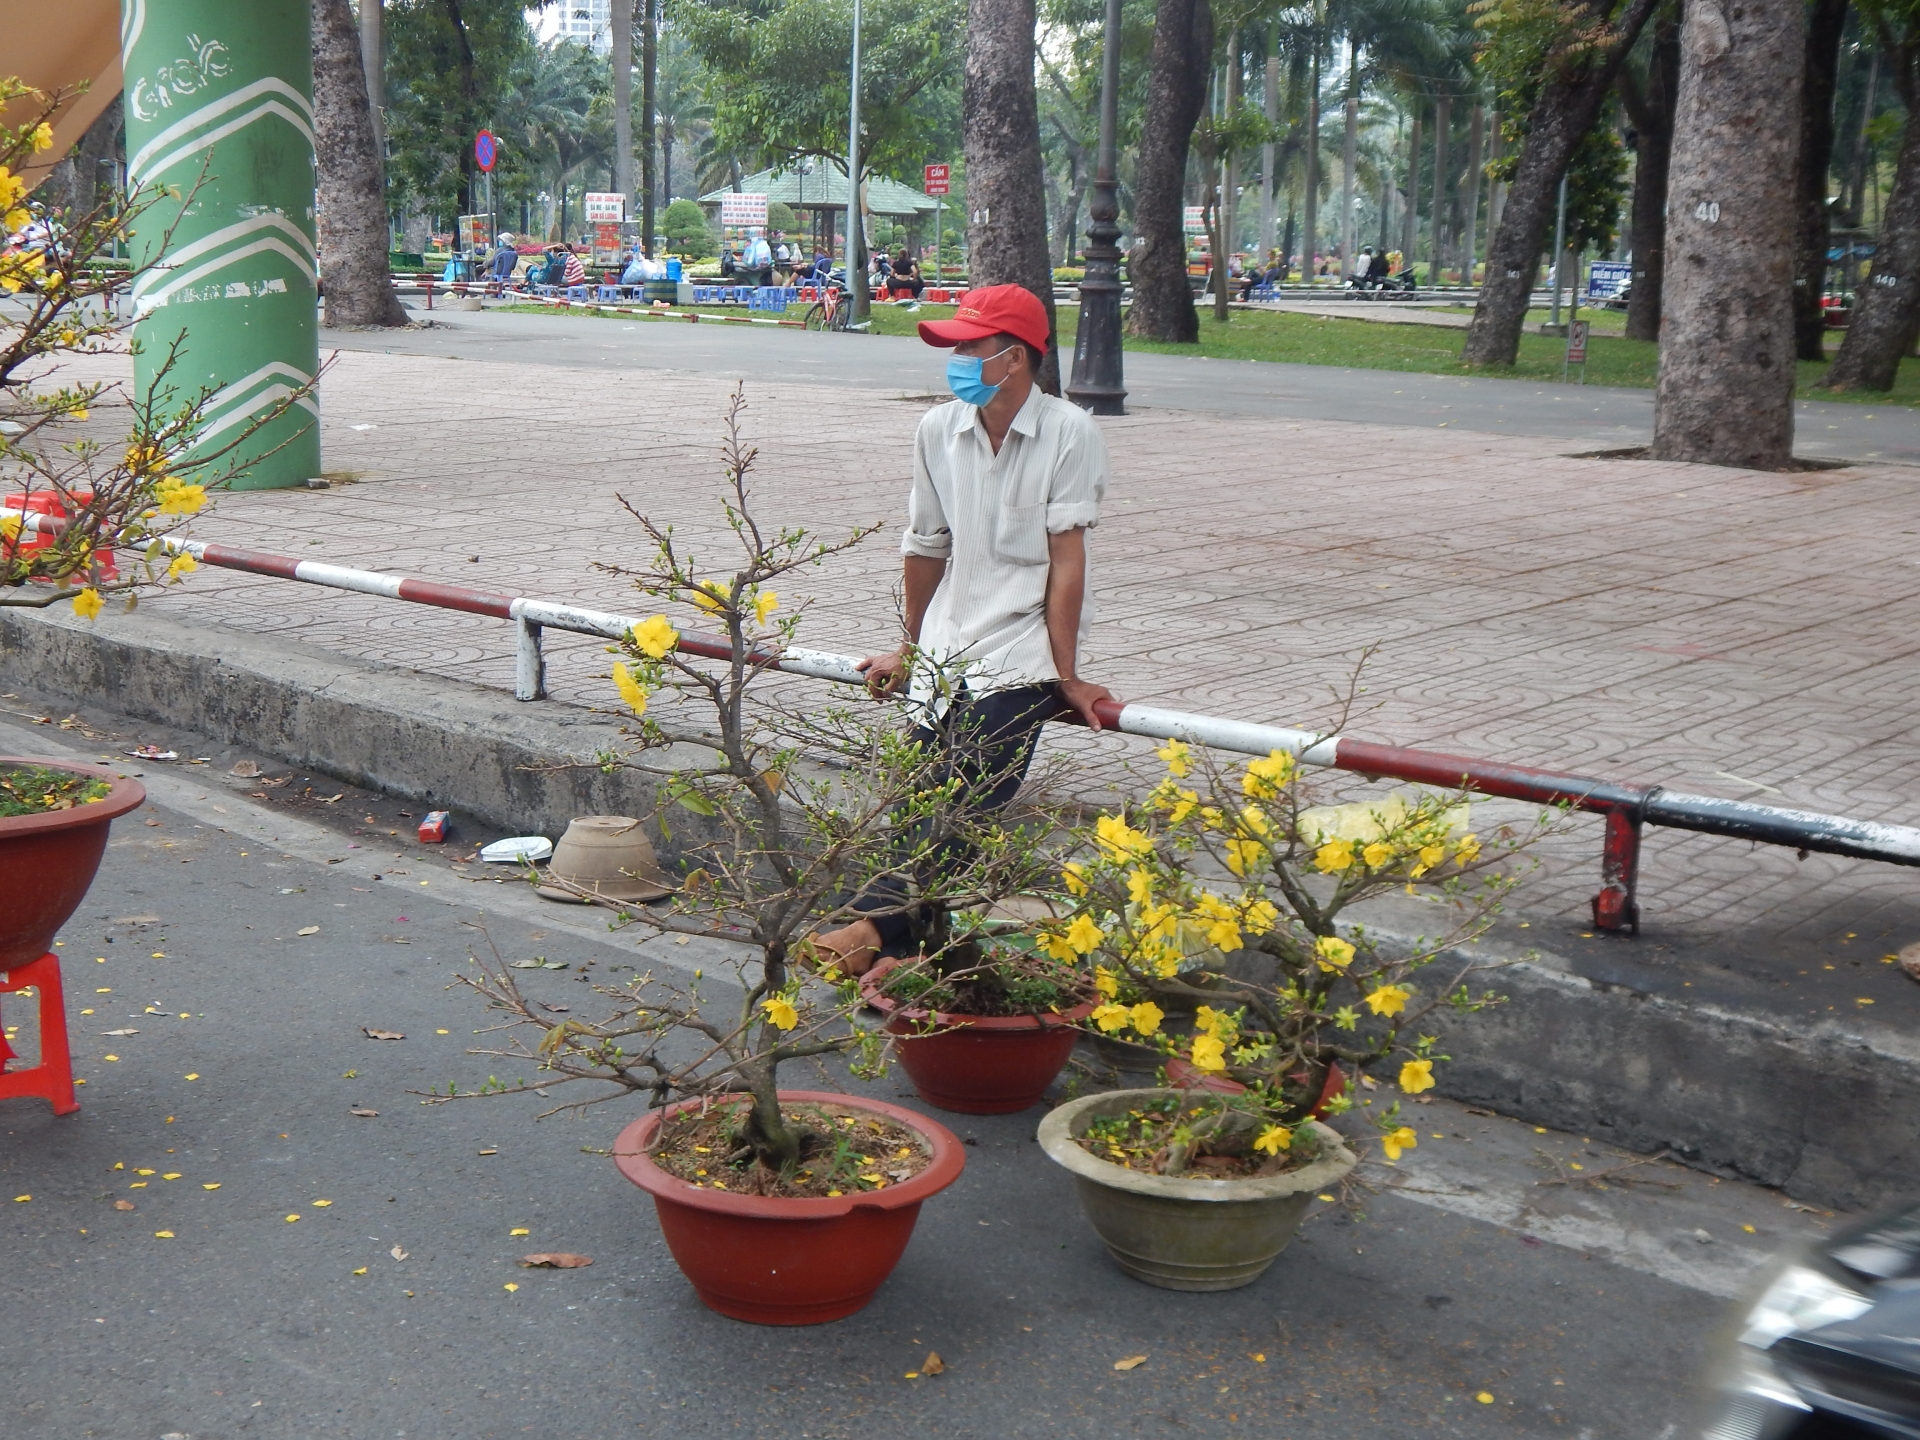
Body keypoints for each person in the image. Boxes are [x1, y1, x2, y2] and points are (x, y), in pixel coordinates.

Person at [809, 284, 1118, 975]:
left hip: (1025, 645)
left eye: (969, 348)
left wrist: (1067, 677)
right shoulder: (937, 430)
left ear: (1015, 359)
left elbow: (1067, 565)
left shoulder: (1070, 432)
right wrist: (910, 649)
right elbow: (925, 547)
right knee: (922, 795)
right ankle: (921, 951)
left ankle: (871, 931)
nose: (955, 359)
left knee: (968, 792)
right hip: (950, 639)